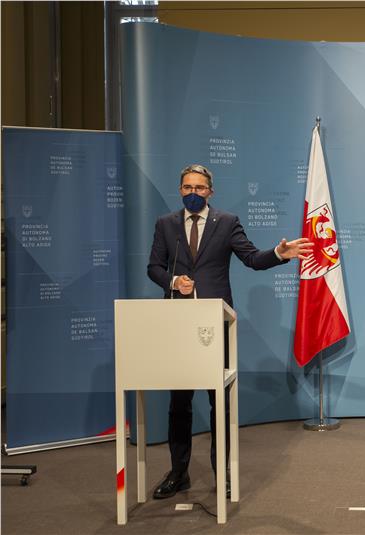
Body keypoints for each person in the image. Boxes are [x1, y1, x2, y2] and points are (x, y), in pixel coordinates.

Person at [147, 164, 313, 499]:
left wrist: (280, 254)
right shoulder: (166, 225)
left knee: (218, 401)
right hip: (178, 325)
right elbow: (154, 267)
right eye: (188, 188)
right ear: (180, 190)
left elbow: (252, 258)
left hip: (215, 323)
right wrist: (173, 281)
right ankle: (178, 473)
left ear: (211, 191)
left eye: (200, 188)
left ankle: (221, 473)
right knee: (178, 403)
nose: (194, 193)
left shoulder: (227, 222)